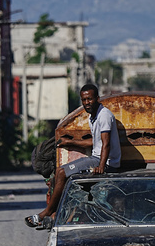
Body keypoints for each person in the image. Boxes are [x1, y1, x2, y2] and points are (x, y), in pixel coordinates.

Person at [25, 83, 121, 228]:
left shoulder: (104, 115)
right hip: (97, 158)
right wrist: (70, 142)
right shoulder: (93, 117)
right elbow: (94, 142)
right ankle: (56, 213)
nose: (87, 103)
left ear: (97, 98)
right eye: (84, 100)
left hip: (106, 162)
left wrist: (101, 166)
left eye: (90, 99)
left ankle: (48, 212)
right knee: (58, 171)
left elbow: (106, 143)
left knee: (62, 172)